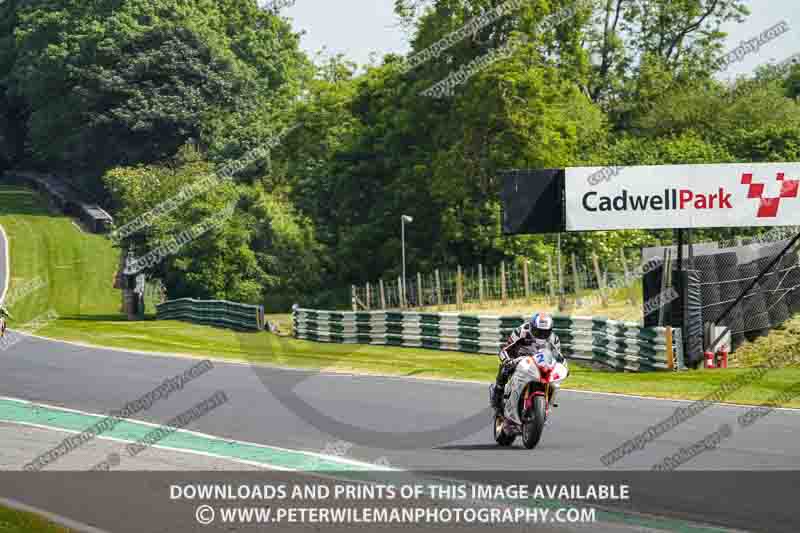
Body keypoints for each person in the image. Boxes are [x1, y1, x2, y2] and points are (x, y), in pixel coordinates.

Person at [490, 312, 564, 413]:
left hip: (540, 363)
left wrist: (563, 367)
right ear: (532, 327)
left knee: (554, 379)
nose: (541, 335)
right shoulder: (522, 331)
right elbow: (505, 350)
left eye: (545, 332)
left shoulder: (554, 339)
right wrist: (508, 360)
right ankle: (497, 394)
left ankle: (547, 402)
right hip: (520, 358)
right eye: (539, 331)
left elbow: (559, 357)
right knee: (505, 368)